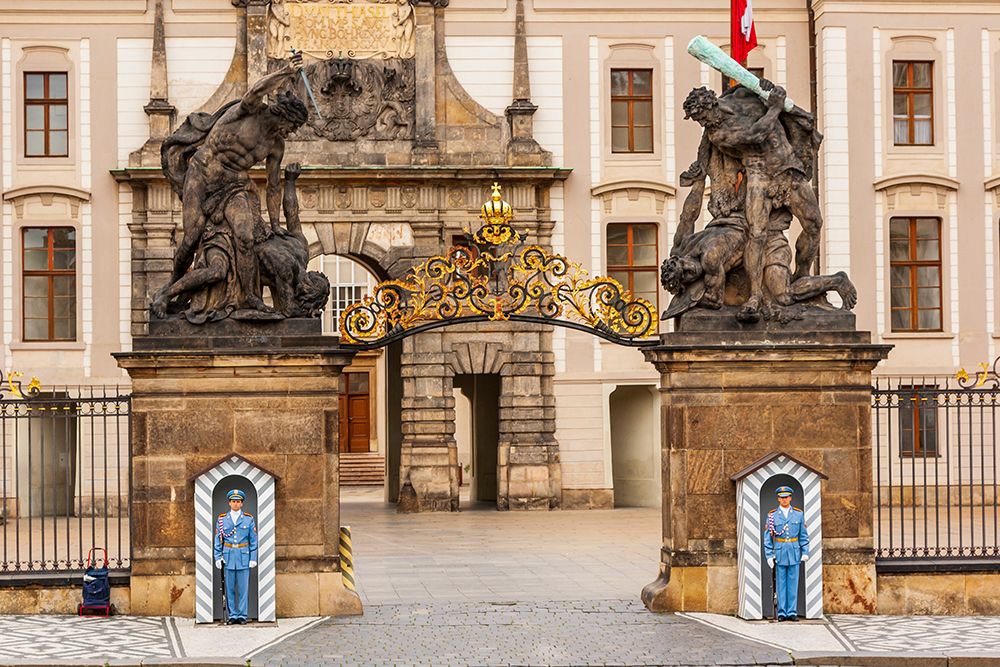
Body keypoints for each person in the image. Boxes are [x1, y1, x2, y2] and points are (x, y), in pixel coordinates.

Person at [154, 52, 309, 320]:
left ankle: (249, 296)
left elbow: (273, 187)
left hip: (235, 186)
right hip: (202, 176)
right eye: (292, 126)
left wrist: (274, 225)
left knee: (246, 236)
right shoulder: (249, 111)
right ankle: (169, 287)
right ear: (283, 115)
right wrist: (286, 71)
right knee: (192, 238)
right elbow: (257, 88)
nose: (291, 132)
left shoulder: (275, 145)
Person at [682, 84, 824, 323]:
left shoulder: (743, 97)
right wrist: (775, 107)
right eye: (697, 119)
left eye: (702, 116)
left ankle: (802, 274)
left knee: (814, 225)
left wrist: (768, 89)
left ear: (712, 104)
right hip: (759, 175)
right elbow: (757, 135)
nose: (702, 123)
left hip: (789, 168)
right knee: (756, 233)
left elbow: (767, 90)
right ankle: (755, 295)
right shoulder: (719, 135)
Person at [763, 485, 810, 621]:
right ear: (778, 499)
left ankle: (792, 612)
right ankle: (782, 612)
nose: (784, 500)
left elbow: (803, 535)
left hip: (794, 551)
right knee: (781, 583)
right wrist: (769, 555)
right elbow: (768, 538)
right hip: (780, 552)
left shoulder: (798, 514)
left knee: (793, 582)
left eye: (787, 497)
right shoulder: (772, 516)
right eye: (781, 497)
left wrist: (805, 551)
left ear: (790, 498)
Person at [214, 489, 258, 624]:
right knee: (230, 588)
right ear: (229, 503)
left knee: (243, 589)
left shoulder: (248, 519)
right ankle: (233, 615)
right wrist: (217, 556)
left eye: (238, 502)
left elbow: (253, 540)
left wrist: (253, 558)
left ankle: (242, 615)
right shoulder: (222, 519)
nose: (235, 504)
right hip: (228, 557)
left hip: (243, 557)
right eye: (233, 501)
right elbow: (218, 539)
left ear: (242, 503)